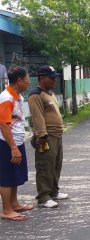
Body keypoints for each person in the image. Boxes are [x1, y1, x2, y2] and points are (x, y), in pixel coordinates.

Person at [28, 65, 67, 208]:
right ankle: (43, 196)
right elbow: (37, 117)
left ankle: (54, 191)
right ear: (42, 78)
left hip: (57, 135)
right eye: (51, 78)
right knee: (45, 166)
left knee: (56, 165)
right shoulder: (36, 95)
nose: (54, 80)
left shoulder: (50, 93)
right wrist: (42, 135)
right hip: (46, 136)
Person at [0, 66, 32, 221]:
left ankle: (14, 204)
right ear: (19, 81)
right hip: (7, 143)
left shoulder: (17, 97)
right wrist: (13, 147)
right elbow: (4, 124)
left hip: (17, 141)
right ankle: (6, 210)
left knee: (15, 174)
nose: (28, 83)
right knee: (6, 175)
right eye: (27, 80)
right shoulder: (7, 98)